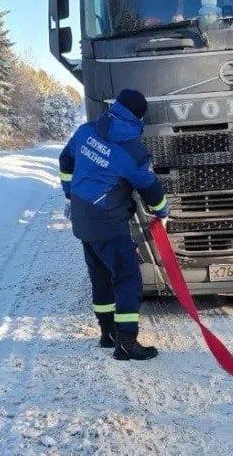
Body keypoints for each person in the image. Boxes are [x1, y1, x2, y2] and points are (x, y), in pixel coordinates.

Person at [58, 88, 169, 361]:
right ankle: (127, 344)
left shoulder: (86, 132)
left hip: (83, 220)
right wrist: (162, 212)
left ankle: (107, 334)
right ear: (139, 117)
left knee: (101, 277)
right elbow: (150, 188)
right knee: (128, 279)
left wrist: (70, 192)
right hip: (108, 223)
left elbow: (65, 160)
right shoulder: (132, 152)